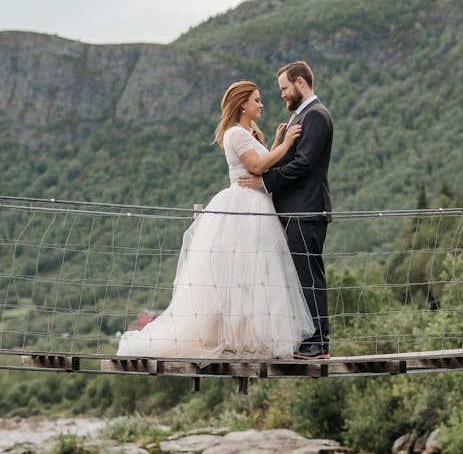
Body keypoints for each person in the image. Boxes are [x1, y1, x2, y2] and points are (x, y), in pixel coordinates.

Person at [116, 81, 314, 359]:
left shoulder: (247, 133)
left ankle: (251, 336)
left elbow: (265, 160)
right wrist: (288, 143)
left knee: (255, 272)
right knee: (240, 272)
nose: (261, 104)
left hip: (256, 205)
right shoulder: (235, 134)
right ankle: (236, 337)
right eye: (256, 100)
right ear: (242, 104)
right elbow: (259, 166)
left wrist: (278, 142)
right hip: (244, 207)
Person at [238, 61, 334, 360]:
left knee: (309, 274)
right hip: (296, 210)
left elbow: (304, 163)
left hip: (306, 209)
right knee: (300, 274)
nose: (282, 95)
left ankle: (319, 341)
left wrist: (265, 181)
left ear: (300, 83)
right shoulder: (300, 116)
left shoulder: (316, 116)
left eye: (284, 88)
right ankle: (309, 339)